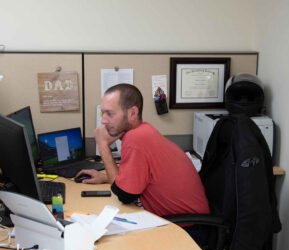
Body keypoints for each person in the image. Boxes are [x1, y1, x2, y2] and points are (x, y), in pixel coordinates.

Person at [77, 83, 210, 220]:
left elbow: (124, 196)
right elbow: (141, 179)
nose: (103, 121)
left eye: (109, 114)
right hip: (185, 219)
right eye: (102, 113)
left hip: (188, 228)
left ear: (132, 113)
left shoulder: (135, 139)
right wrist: (106, 177)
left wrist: (103, 145)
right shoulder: (144, 130)